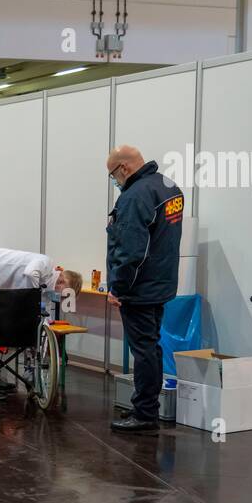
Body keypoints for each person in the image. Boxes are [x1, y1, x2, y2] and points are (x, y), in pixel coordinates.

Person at [105, 145, 185, 433]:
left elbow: (130, 252)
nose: (114, 181)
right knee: (151, 346)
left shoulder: (135, 197)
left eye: (112, 175)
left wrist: (118, 288)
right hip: (162, 283)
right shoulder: (169, 187)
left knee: (144, 350)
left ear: (124, 168)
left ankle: (145, 413)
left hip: (139, 288)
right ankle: (148, 408)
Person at [0, 248, 83, 308]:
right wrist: (34, 297)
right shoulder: (46, 263)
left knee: (0, 318)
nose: (61, 299)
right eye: (64, 295)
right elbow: (30, 272)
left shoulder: (49, 289)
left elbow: (44, 312)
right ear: (61, 281)